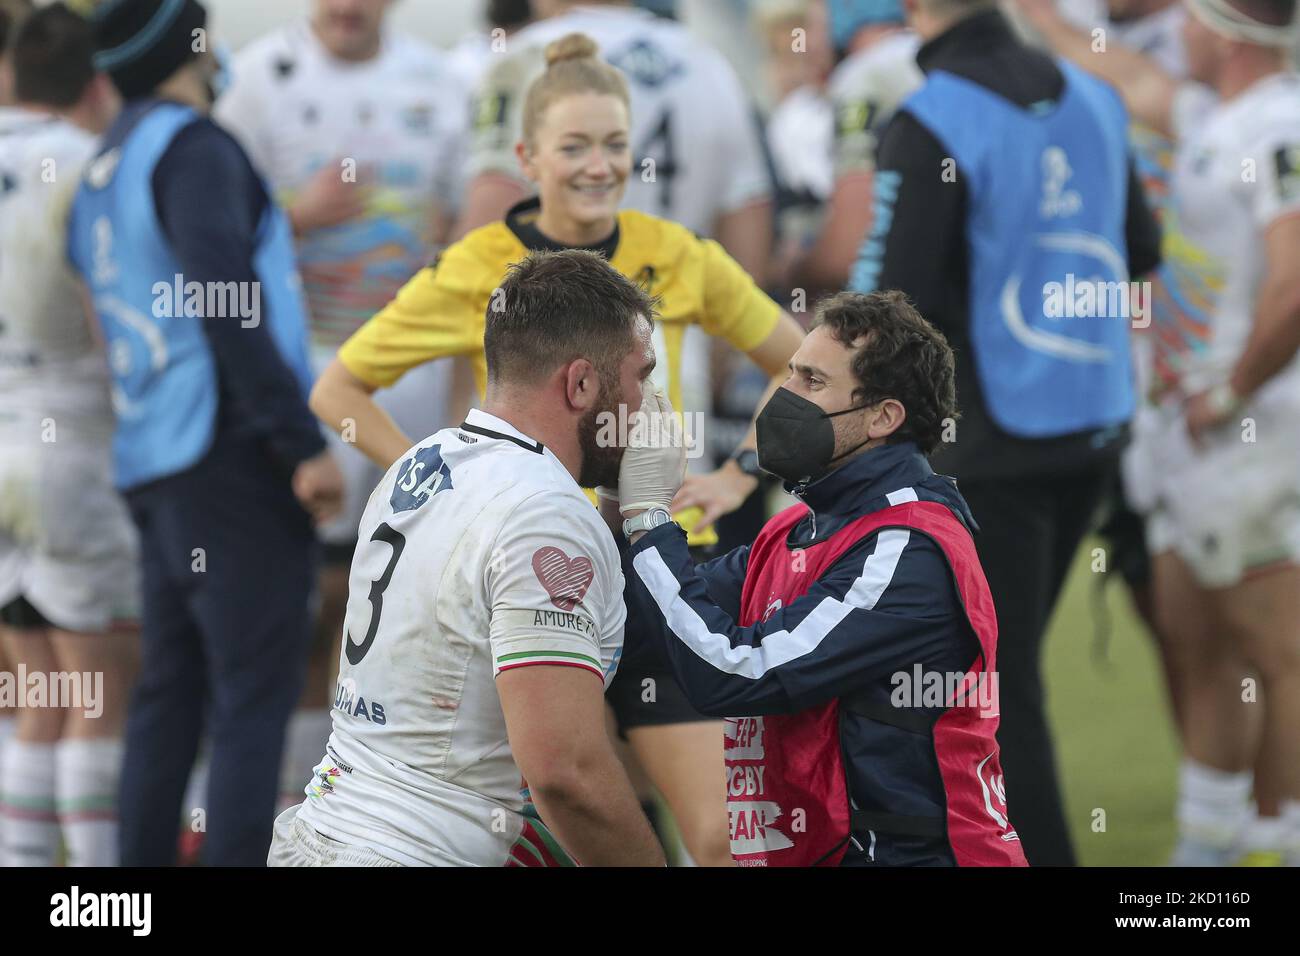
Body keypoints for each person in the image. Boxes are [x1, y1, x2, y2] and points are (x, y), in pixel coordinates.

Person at [311, 33, 804, 866]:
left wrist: (735, 473)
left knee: (724, 838)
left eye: (615, 145)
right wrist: (432, 488)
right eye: (574, 146)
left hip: (658, 570)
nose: (597, 165)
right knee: (557, 806)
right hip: (524, 573)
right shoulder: (479, 267)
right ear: (526, 156)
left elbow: (798, 365)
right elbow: (339, 390)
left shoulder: (679, 253)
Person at [848, 0, 1162, 866]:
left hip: (991, 444)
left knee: (990, 696)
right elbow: (1140, 246)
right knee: (991, 684)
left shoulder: (929, 118)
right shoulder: (1097, 98)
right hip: (1095, 427)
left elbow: (894, 307)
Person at [1017, 0, 1300, 867]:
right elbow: (1128, 75)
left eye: (1192, 14)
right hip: (1186, 434)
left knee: (1281, 649)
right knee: (1196, 635)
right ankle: (1205, 852)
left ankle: (1282, 839)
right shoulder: (1214, 116)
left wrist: (1230, 388)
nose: (1175, 27)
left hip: (1253, 432)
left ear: (1224, 28)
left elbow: (1293, 284)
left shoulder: (1280, 123)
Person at [270, 249, 666, 867]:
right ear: (582, 383)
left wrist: (618, 514)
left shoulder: (423, 460)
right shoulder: (546, 512)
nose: (648, 406)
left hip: (329, 829)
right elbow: (565, 771)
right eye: (641, 377)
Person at [66, 0, 343, 866]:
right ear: (189, 45)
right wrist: (298, 442)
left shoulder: (102, 165)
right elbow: (231, 304)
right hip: (226, 454)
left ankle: (127, 900)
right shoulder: (192, 148)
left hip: (154, 454)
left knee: (169, 696)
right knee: (251, 698)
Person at [622, 291, 1027, 866]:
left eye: (811, 382)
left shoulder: (905, 549)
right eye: (790, 374)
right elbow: (646, 624)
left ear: (883, 417)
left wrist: (647, 521)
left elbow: (737, 671)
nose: (783, 396)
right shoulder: (798, 530)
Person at [214, 0, 472, 817]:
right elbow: (212, 236)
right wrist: (296, 216)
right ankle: (298, 806)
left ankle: (375, 800)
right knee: (309, 599)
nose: (349, 8)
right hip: (306, 387)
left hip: (415, 387)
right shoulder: (256, 85)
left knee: (403, 601)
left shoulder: (442, 83)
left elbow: (475, 229)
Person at [0, 0, 134, 868]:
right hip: (70, 446)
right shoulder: (92, 167)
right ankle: (101, 906)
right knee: (99, 692)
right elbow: (113, 318)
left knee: (37, 689)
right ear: (94, 82)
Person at [782, 0, 922, 298]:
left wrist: (793, 271)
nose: (805, 45)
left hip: (903, 306)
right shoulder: (936, 55)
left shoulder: (865, 74)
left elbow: (848, 250)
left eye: (813, 24)